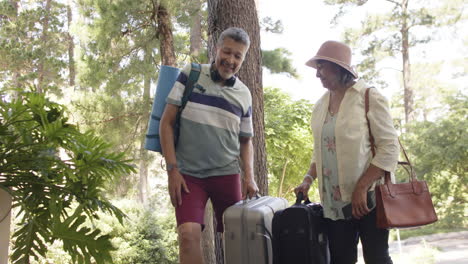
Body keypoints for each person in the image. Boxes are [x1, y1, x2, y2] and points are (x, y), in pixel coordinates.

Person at [159, 27, 259, 264]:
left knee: (238, 239)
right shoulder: (191, 74)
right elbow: (166, 124)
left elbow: (246, 140)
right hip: (188, 176)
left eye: (238, 56)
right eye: (227, 52)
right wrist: (172, 170)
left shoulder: (244, 94)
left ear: (243, 59)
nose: (231, 60)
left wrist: (249, 177)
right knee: (187, 235)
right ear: (216, 49)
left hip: (227, 174)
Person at [294, 40, 399, 264]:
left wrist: (361, 187)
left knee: (377, 258)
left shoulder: (368, 96)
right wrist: (308, 179)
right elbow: (321, 150)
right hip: (334, 204)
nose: (317, 74)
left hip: (368, 198)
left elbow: (389, 148)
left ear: (339, 68)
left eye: (321, 67)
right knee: (340, 259)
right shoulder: (321, 104)